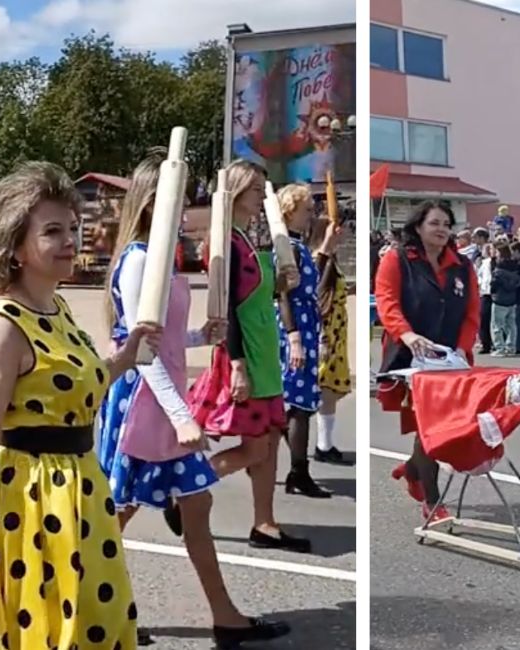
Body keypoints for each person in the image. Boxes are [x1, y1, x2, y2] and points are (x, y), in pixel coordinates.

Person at [0, 162, 161, 650]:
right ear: (14, 246)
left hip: (82, 493)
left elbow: (78, 390)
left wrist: (127, 355)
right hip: (28, 503)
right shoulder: (2, 327)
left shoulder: (57, 307)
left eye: (72, 228)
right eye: (53, 231)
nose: (70, 240)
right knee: (37, 629)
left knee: (91, 622)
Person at [97, 150, 290, 648]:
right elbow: (142, 353)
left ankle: (225, 616)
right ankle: (89, 607)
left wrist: (203, 335)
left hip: (166, 402)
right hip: (143, 405)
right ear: (148, 203)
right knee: (111, 515)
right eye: (173, 200)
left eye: (183, 199)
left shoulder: (162, 258)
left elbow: (167, 339)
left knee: (196, 505)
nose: (183, 209)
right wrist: (183, 416)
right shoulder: (139, 261)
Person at [188, 160, 311, 553]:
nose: (263, 196)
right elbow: (227, 309)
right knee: (255, 446)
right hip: (246, 353)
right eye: (257, 189)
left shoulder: (244, 236)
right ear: (237, 191)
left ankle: (265, 523)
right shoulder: (223, 241)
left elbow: (257, 295)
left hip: (265, 347)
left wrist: (279, 283)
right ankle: (184, 488)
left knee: (270, 443)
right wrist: (237, 364)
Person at [375, 201, 479, 522]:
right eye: (435, 223)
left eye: (447, 224)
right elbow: (387, 303)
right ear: (418, 226)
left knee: (441, 426)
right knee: (429, 427)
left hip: (451, 360)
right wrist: (407, 336)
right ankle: (433, 503)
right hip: (411, 358)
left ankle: (412, 468)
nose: (442, 229)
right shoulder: (398, 259)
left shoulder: (462, 265)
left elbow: (472, 313)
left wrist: (462, 349)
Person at [274, 183, 329, 498]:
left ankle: (297, 467)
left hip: (305, 324)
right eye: (307, 209)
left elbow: (309, 285)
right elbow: (283, 294)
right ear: (290, 210)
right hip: (296, 326)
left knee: (299, 403)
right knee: (299, 404)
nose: (312, 215)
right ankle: (299, 472)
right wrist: (294, 337)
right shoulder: (288, 246)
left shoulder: (297, 244)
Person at [309, 215, 353, 464]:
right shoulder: (318, 259)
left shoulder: (329, 260)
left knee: (330, 389)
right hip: (326, 331)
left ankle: (325, 443)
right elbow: (318, 293)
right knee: (325, 387)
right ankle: (323, 446)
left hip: (335, 331)